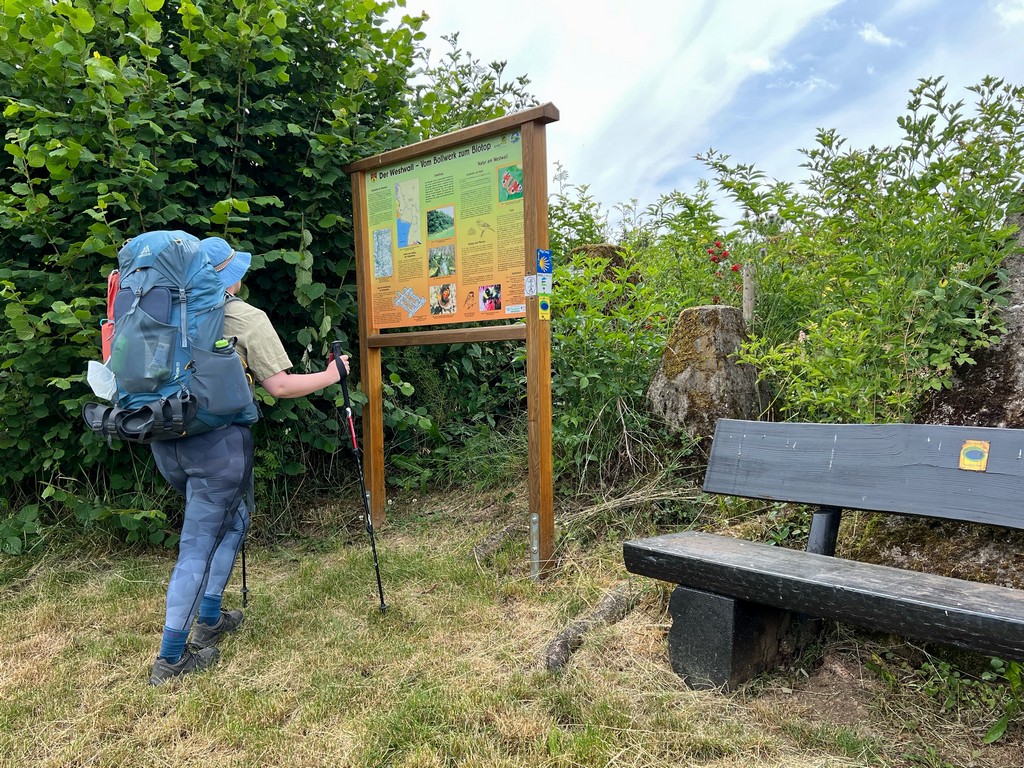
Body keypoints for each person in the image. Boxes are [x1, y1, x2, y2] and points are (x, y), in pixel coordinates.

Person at [147, 236, 350, 685]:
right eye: (237, 268)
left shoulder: (162, 313)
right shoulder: (242, 315)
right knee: (200, 540)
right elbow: (280, 386)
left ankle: (212, 617)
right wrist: (333, 375)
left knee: (232, 520)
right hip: (217, 446)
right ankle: (171, 659)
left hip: (165, 440)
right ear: (226, 276)